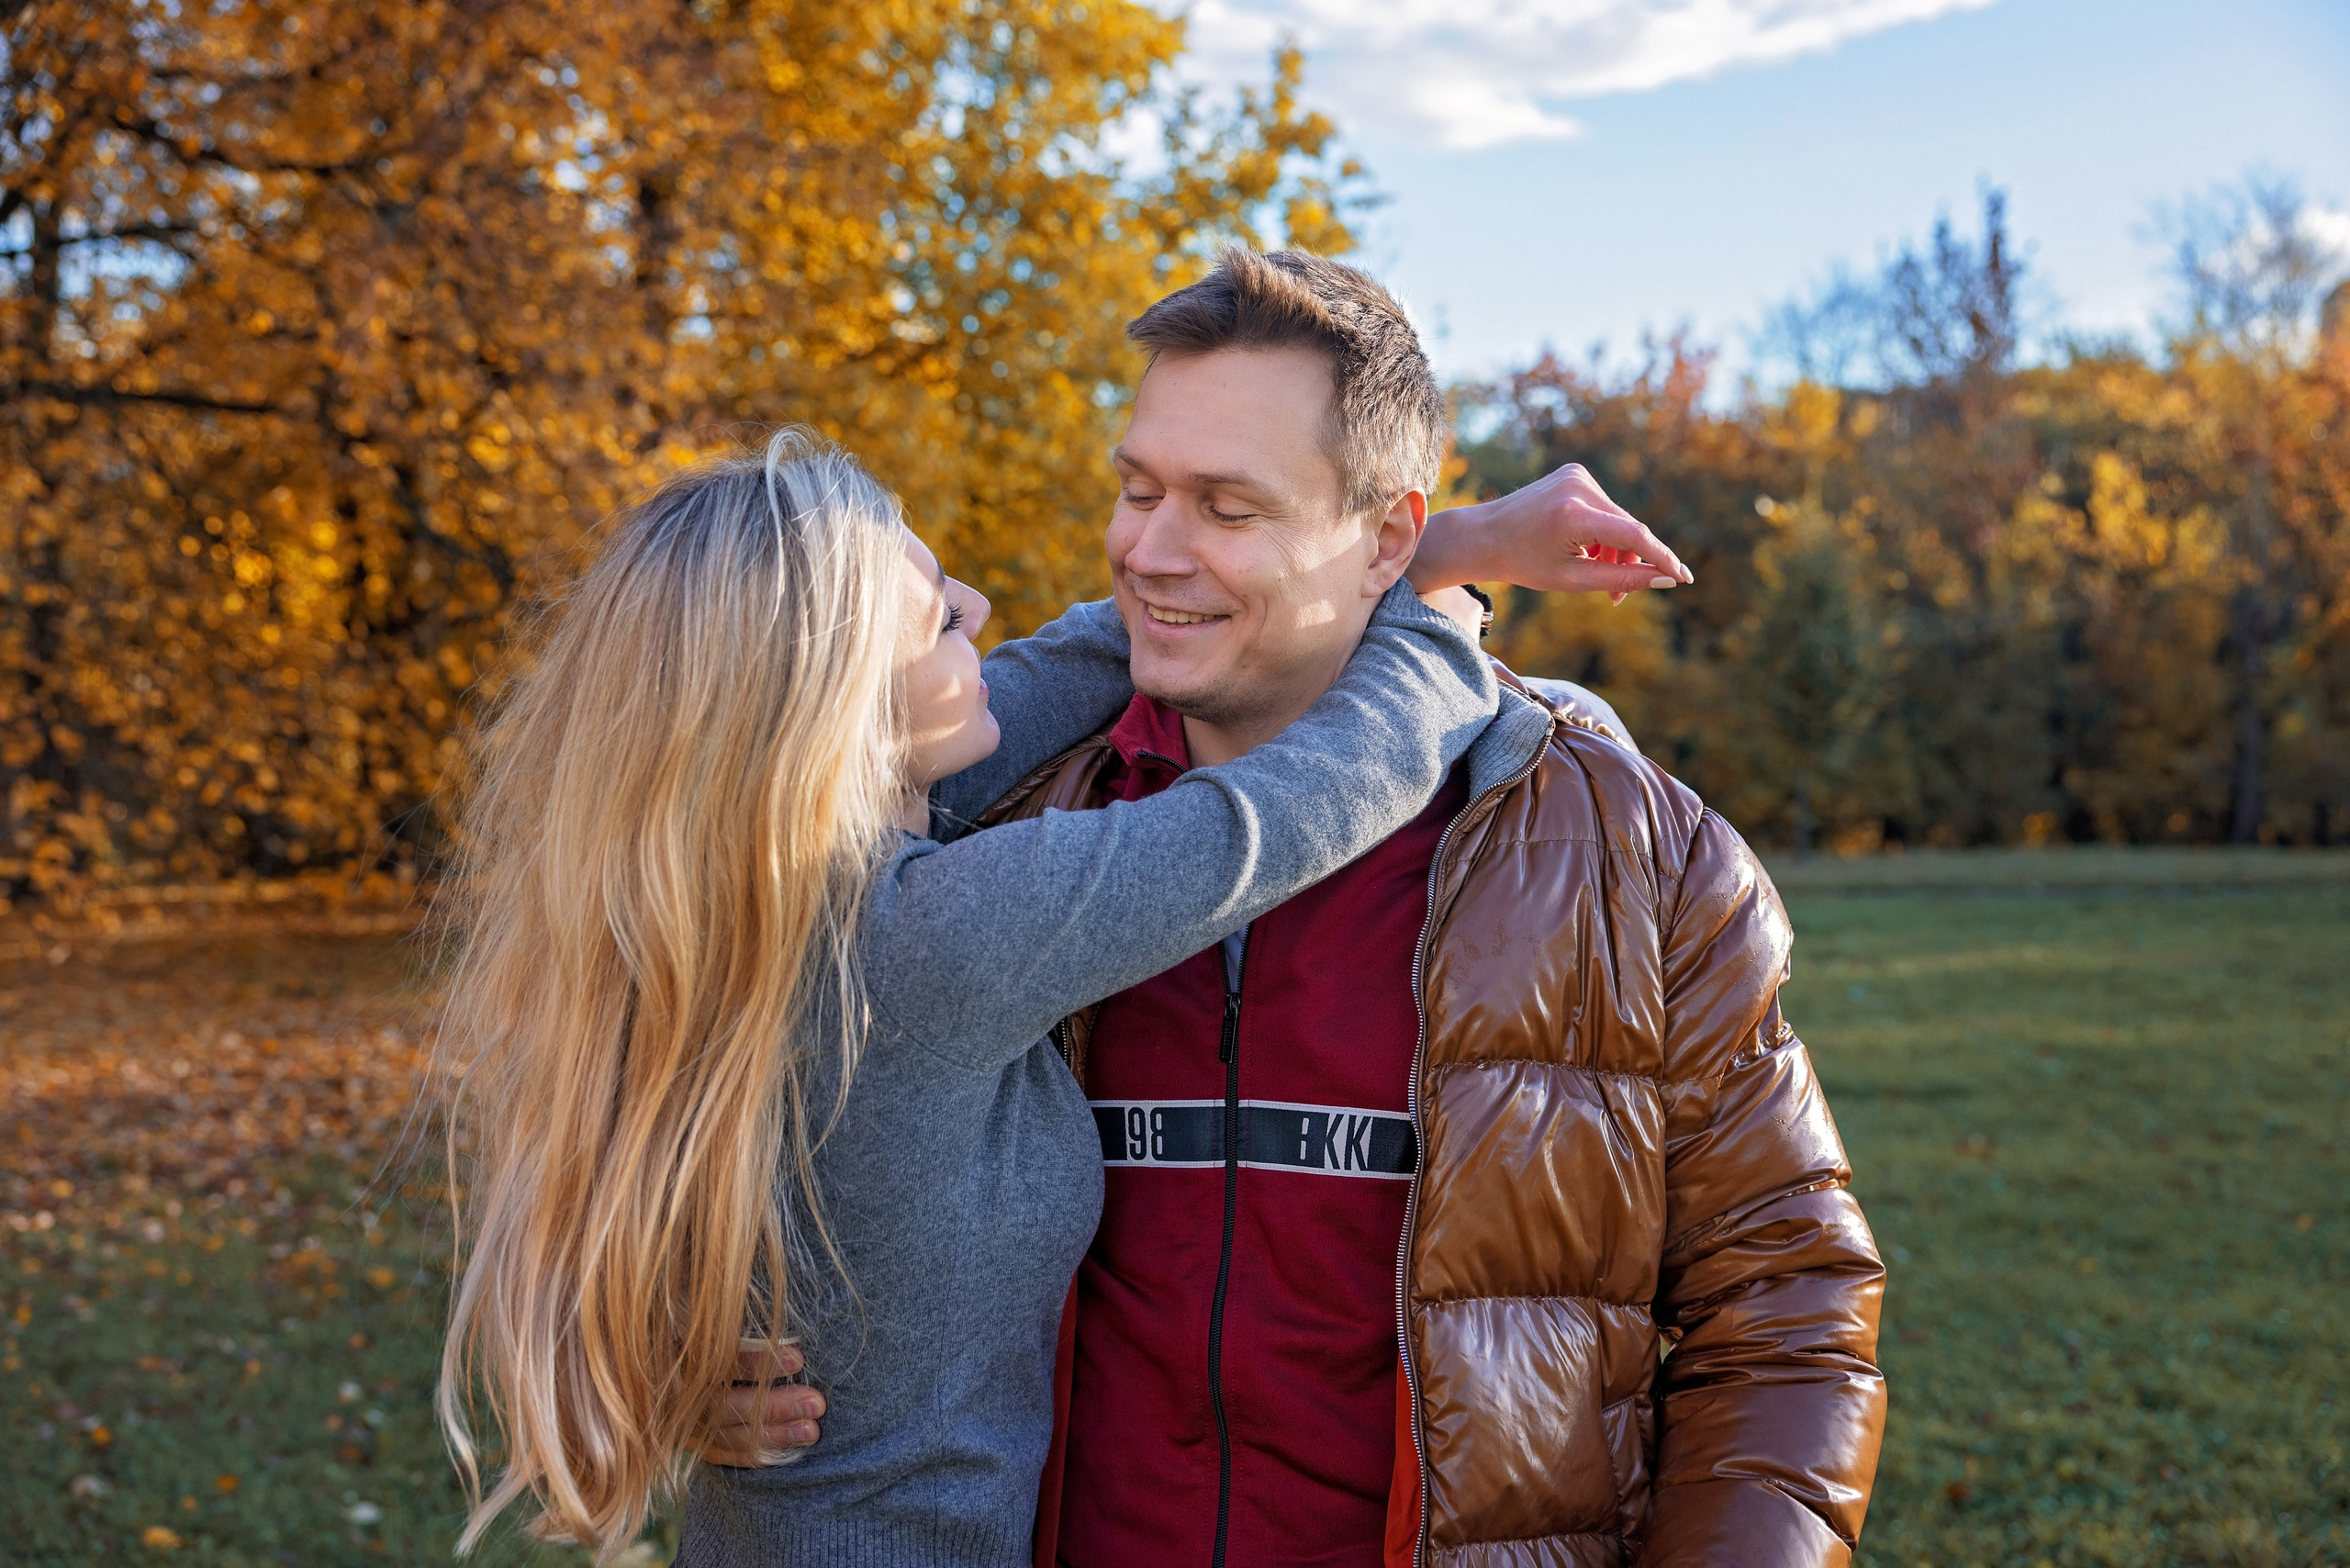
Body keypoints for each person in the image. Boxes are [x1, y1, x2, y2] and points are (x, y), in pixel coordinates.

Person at [721, 250, 1887, 1567]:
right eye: (1138, 488)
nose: (1148, 549)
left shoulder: (1623, 848)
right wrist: (671, 1338)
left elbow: (1784, 1300)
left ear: (1384, 533)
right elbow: (707, 1108)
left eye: (1226, 506)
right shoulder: (989, 817)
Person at [432, 422, 1634, 1565]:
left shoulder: (752, 896)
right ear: (835, 703)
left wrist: (1368, 548)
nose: (980, 616)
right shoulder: (923, 943)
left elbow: (1079, 662)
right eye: (933, 616)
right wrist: (1436, 609)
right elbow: (1295, 807)